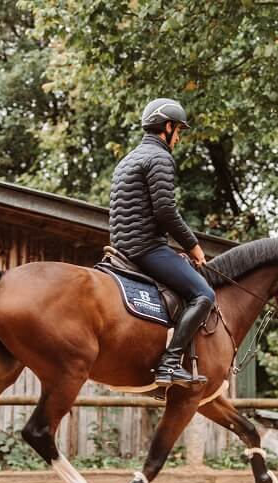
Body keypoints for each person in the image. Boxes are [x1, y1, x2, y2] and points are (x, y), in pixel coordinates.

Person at [108, 98, 215, 388]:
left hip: (122, 246)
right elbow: (165, 210)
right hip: (145, 248)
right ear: (167, 127)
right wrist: (193, 246)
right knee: (204, 295)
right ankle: (169, 364)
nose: (178, 136)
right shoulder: (160, 157)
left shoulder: (128, 158)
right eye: (178, 129)